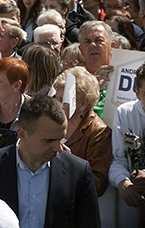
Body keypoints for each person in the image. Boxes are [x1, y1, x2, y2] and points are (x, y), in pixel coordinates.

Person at [0, 95, 100, 227]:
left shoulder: (78, 171)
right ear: (22, 133)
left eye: (61, 139)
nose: (58, 148)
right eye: (49, 141)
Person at [109, 58, 145, 225]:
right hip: (131, 205)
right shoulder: (125, 113)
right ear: (137, 93)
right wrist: (123, 182)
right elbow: (118, 160)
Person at [53, 67, 112, 197]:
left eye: (63, 100)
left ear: (83, 105)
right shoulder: (53, 121)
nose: (56, 104)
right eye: (56, 98)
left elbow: (98, 185)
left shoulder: (98, 132)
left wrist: (69, 162)